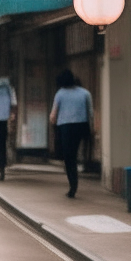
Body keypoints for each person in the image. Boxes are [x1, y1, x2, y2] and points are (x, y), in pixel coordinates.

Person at [50, 69, 93, 198]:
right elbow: (90, 113)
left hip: (66, 127)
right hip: (82, 126)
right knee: (74, 153)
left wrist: (53, 123)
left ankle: (73, 185)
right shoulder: (85, 93)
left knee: (69, 158)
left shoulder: (60, 94)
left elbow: (53, 115)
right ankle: (80, 168)